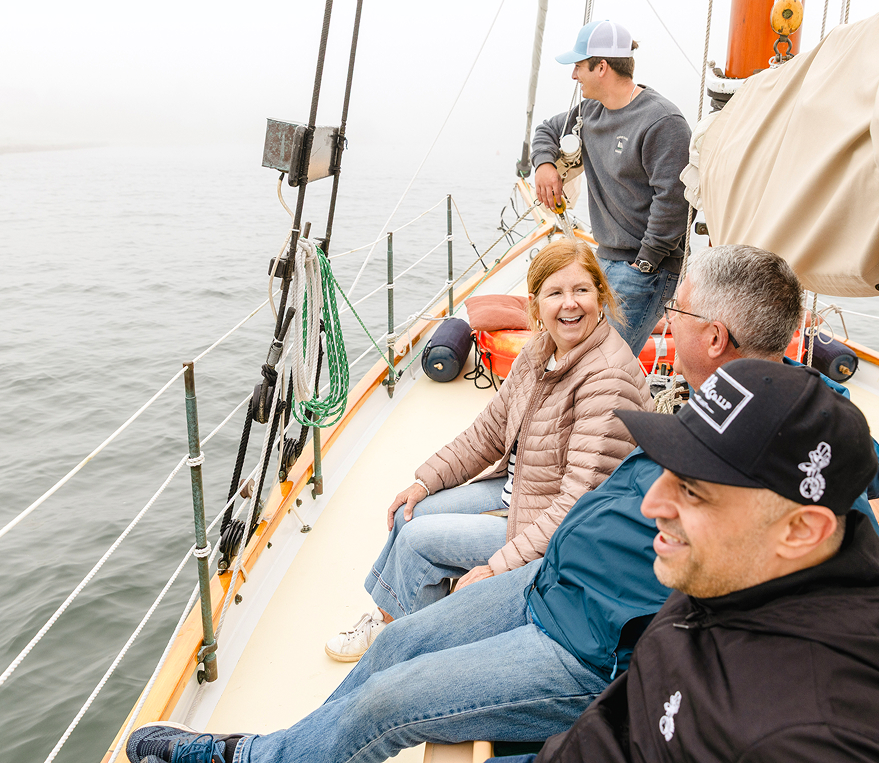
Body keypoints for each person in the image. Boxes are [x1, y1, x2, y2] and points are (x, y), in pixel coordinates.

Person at [124, 246, 879, 763]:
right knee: (392, 645)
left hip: (585, 635)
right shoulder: (710, 411)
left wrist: (501, 557)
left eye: (674, 310)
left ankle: (252, 755)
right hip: (554, 578)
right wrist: (487, 537)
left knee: (387, 698)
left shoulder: (767, 462)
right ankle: (292, 746)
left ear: (711, 334)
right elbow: (507, 441)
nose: (658, 498)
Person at [493, 359, 879, 763]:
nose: (652, 504)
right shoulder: (731, 572)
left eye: (692, 491)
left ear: (800, 531)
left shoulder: (802, 737)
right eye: (666, 470)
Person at [326, 238, 652, 661]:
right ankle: (402, 616)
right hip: (521, 491)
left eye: (581, 291)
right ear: (536, 306)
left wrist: (498, 566)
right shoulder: (542, 351)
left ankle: (404, 646)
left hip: (555, 526)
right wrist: (425, 481)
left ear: (601, 296)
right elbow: (488, 433)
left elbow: (578, 504)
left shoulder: (606, 378)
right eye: (556, 293)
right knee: (412, 515)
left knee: (417, 541)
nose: (570, 305)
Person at [531, 20, 690, 355]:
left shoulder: (662, 122)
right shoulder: (589, 112)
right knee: (581, 354)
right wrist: (544, 165)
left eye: (578, 67)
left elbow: (674, 203)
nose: (574, 76)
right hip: (605, 259)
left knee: (602, 363)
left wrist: (644, 264)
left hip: (644, 268)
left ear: (601, 67)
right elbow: (547, 129)